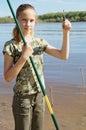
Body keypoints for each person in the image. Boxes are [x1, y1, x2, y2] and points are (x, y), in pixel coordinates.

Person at [3, 4, 71, 130]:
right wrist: (23, 57)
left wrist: (66, 32)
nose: (28, 24)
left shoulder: (39, 42)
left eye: (31, 20)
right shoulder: (11, 46)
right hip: (22, 98)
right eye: (24, 20)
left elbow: (63, 56)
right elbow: (7, 77)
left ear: (35, 22)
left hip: (40, 95)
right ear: (17, 20)